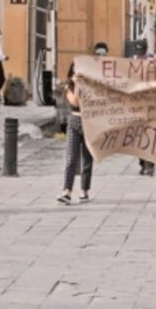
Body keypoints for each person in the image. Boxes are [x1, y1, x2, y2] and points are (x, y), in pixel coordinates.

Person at [57, 63, 93, 205]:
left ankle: (84, 189)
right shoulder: (68, 87)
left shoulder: (90, 88)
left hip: (88, 123)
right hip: (74, 122)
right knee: (71, 158)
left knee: (87, 159)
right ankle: (67, 191)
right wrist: (77, 85)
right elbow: (76, 102)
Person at [133, 40, 156, 176]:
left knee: (149, 135)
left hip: (151, 104)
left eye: (142, 52)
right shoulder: (131, 62)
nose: (140, 55)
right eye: (138, 52)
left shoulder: (152, 61)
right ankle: (142, 163)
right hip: (136, 105)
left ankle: (150, 165)